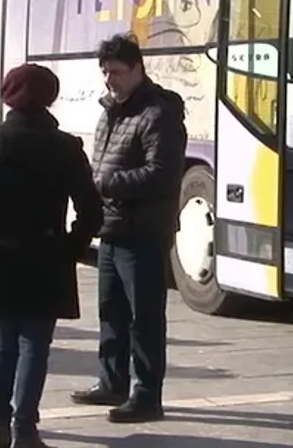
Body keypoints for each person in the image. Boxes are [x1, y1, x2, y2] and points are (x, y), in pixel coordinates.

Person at [0, 64, 103, 448]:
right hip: (47, 256)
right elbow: (92, 210)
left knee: (3, 342)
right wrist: (71, 247)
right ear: (50, 97)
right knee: (35, 346)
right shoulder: (66, 146)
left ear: (8, 95)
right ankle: (25, 427)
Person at [70, 34, 186, 423]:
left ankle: (147, 396)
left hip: (143, 232)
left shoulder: (157, 114)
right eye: (105, 72)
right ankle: (112, 382)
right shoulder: (111, 111)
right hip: (112, 228)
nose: (110, 79)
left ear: (138, 69)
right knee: (111, 313)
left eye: (117, 72)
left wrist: (106, 183)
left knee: (145, 318)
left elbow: (162, 174)